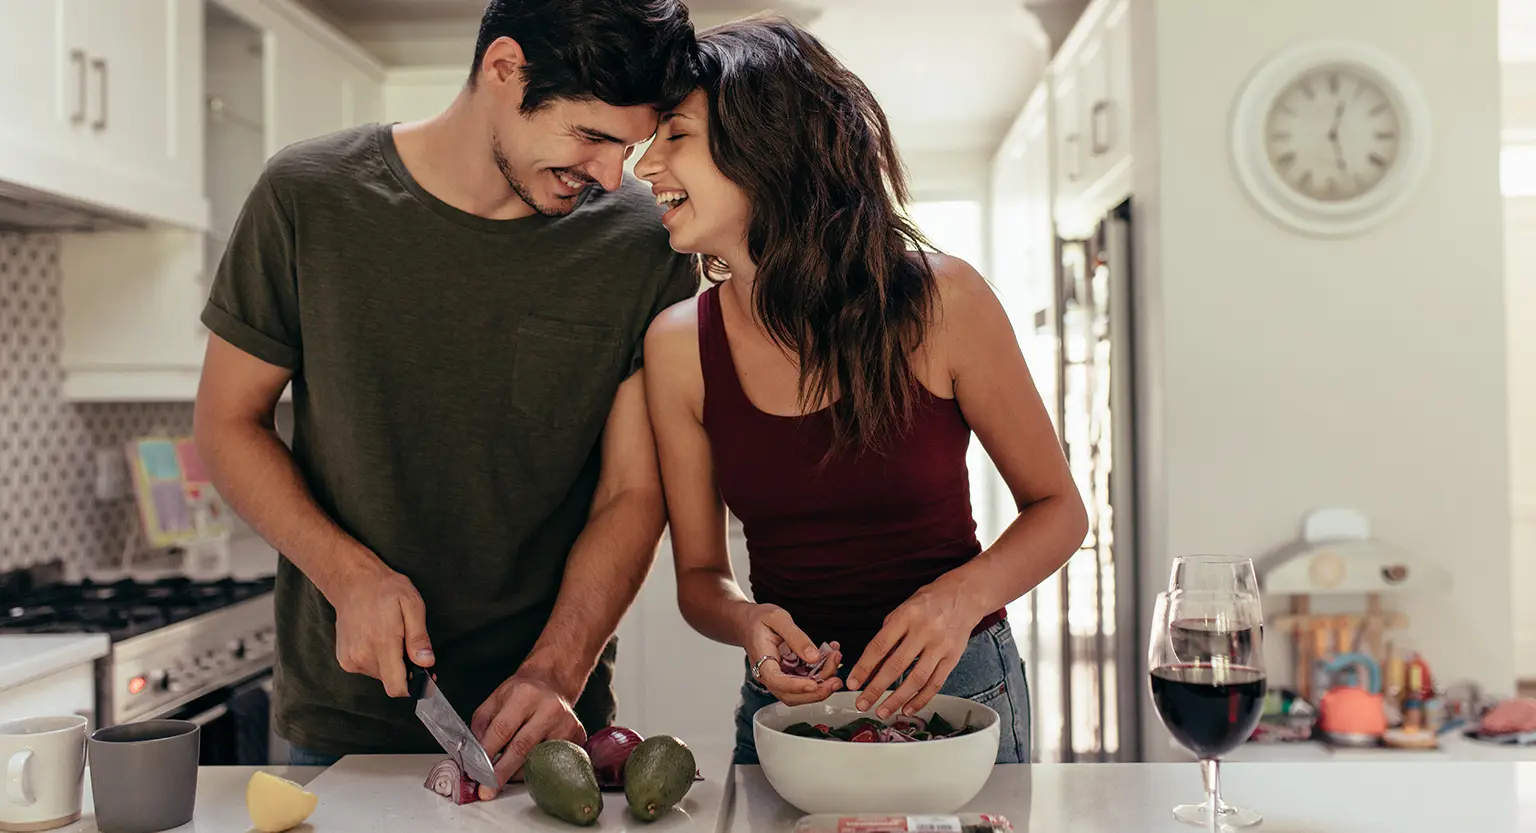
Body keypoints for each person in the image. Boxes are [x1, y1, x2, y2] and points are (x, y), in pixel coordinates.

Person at [192, 0, 699, 796]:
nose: (611, 175)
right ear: (504, 68)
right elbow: (227, 422)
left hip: (550, 727)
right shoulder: (306, 196)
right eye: (592, 136)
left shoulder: (641, 244)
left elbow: (632, 491)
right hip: (341, 726)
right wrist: (349, 576)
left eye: (629, 146)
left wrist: (556, 671)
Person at [635, 15, 1089, 766]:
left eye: (675, 135)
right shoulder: (678, 345)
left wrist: (959, 600)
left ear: (763, 145)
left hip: (965, 692)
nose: (646, 164)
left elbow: (1060, 510)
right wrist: (748, 622)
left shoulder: (943, 302)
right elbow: (698, 576)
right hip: (788, 712)